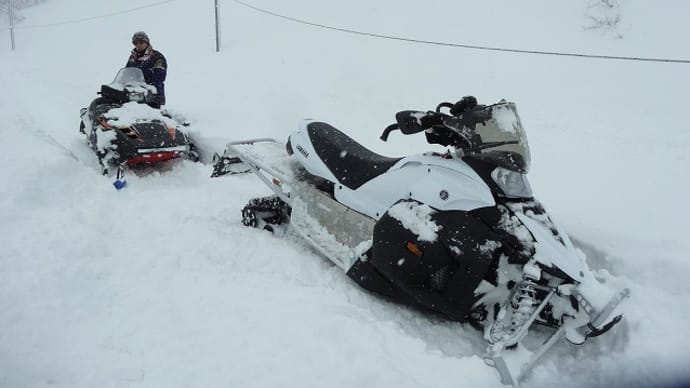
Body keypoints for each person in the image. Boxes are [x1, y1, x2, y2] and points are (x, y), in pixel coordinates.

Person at [126, 31, 167, 107]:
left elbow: (160, 76)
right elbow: (127, 73)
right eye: (136, 43)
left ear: (146, 42)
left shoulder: (157, 57)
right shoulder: (132, 58)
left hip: (153, 96)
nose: (138, 45)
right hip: (136, 94)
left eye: (141, 42)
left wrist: (144, 79)